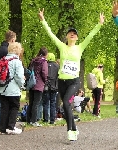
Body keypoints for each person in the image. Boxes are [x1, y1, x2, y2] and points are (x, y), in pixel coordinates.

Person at [38, 8, 104, 141]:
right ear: (67, 36)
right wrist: (43, 20)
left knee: (67, 104)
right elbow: (50, 34)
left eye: (74, 33)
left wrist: (100, 24)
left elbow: (91, 35)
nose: (72, 34)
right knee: (66, 106)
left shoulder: (80, 47)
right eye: (70, 33)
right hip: (62, 81)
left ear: (77, 37)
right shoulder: (62, 46)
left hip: (74, 82)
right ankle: (74, 127)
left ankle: (71, 130)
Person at [0, 42, 25, 134]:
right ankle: (11, 127)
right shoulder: (17, 61)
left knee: (4, 108)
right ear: (18, 50)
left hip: (2, 89)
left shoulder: (3, 59)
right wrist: (22, 84)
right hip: (13, 90)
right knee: (14, 107)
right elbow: (19, 77)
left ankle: (2, 128)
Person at [0, 30, 16, 131]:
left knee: (0, 99)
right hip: (2, 78)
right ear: (12, 39)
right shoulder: (5, 50)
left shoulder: (0, 49)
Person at [26, 47, 48, 127]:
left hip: (31, 83)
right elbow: (44, 73)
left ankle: (28, 120)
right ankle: (34, 121)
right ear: (46, 54)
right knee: (36, 103)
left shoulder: (33, 60)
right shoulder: (44, 61)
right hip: (39, 84)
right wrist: (45, 81)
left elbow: (28, 70)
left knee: (31, 103)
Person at [42, 53, 59, 124]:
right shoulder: (57, 66)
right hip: (54, 86)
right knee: (53, 103)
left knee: (45, 103)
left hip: (46, 86)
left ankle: (45, 119)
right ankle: (52, 120)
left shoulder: (45, 65)